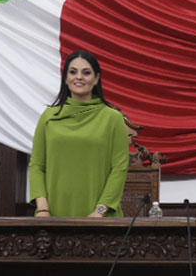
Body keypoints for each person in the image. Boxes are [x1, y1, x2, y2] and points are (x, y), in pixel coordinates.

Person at [29, 50, 130, 217]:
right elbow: (37, 165)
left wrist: (100, 211)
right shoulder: (48, 117)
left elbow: (119, 168)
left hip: (100, 217)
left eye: (86, 72)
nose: (79, 77)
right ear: (66, 78)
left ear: (96, 79)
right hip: (52, 215)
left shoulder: (113, 118)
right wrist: (43, 209)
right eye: (73, 72)